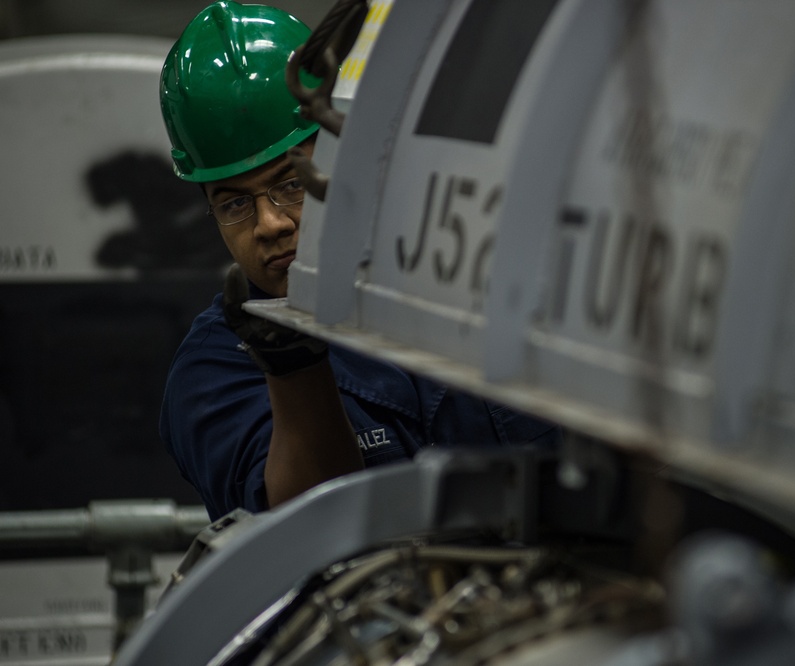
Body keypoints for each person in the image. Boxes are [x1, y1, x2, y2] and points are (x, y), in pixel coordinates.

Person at [158, 1, 560, 522]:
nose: (269, 224)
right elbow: (304, 531)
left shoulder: (470, 290)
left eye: (290, 183)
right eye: (234, 203)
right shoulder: (213, 370)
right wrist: (296, 375)